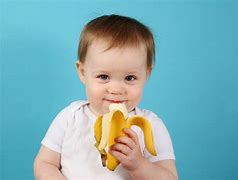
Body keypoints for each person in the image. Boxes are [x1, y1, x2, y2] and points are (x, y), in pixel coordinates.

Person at [34, 14, 178, 180]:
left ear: (146, 74)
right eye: (103, 76)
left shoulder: (150, 126)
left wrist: (140, 165)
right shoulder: (70, 117)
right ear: (82, 72)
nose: (116, 89)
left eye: (130, 78)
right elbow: (44, 163)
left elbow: (170, 177)